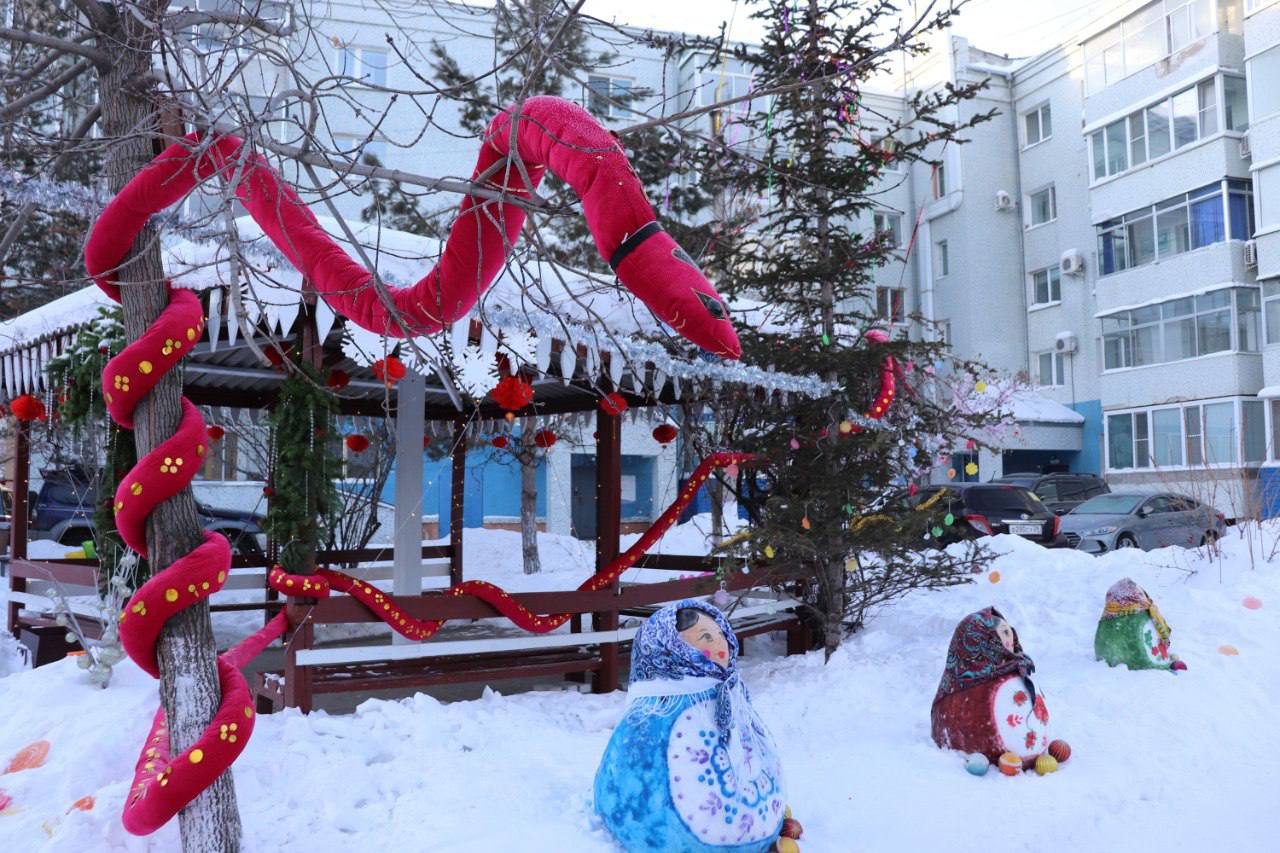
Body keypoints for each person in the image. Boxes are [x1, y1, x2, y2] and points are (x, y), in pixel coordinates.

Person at [594, 600, 794, 852]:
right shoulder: (656, 711)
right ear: (670, 648)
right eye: (705, 637)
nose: (721, 644)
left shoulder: (728, 692)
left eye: (720, 634)